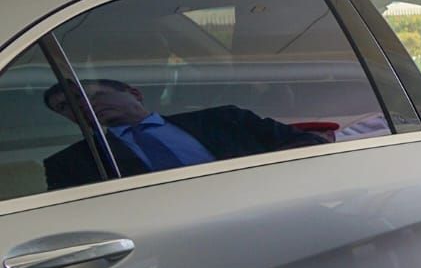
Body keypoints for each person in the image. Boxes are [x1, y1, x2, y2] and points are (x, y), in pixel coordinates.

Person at [42, 78, 320, 188]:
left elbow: (307, 143)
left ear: (134, 93)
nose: (80, 107)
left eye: (87, 95)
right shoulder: (71, 163)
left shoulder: (223, 118)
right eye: (65, 107)